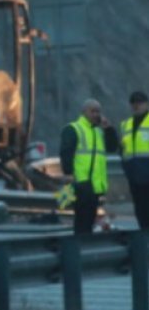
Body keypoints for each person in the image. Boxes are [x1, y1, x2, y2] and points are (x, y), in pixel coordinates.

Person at [59, 98, 118, 234]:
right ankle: (79, 246)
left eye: (98, 111)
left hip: (95, 185)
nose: (96, 114)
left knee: (89, 219)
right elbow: (66, 152)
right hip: (81, 182)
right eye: (93, 111)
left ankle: (85, 246)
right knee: (82, 219)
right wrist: (68, 173)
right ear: (84, 111)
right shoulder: (73, 128)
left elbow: (112, 147)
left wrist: (108, 129)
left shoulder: (98, 131)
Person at [120, 91, 149, 230]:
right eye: (134, 103)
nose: (137, 106)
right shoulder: (126, 124)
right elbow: (122, 150)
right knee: (140, 210)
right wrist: (126, 169)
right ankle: (144, 240)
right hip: (135, 176)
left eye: (140, 103)